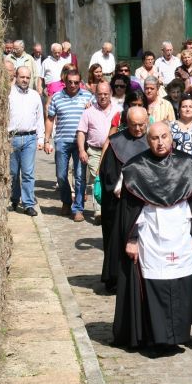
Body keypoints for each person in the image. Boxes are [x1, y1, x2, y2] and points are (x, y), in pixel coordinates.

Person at [112, 122, 192, 350]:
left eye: (164, 136)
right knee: (155, 286)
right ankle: (158, 337)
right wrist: (132, 239)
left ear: (171, 137)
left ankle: (179, 335)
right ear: (148, 141)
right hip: (151, 237)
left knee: (181, 285)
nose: (160, 142)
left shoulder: (187, 165)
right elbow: (129, 212)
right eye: (155, 138)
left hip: (181, 236)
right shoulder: (136, 168)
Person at [98, 106, 149, 292]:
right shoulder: (116, 143)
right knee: (116, 239)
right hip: (120, 202)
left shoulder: (153, 141)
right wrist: (117, 188)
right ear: (127, 123)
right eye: (134, 125)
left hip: (146, 202)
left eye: (141, 125)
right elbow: (107, 172)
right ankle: (115, 278)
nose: (137, 129)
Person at [44, 66, 95, 222]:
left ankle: (78, 208)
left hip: (81, 143)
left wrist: (92, 107)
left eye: (76, 83)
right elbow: (50, 119)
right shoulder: (57, 97)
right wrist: (46, 139)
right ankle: (66, 201)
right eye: (70, 82)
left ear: (80, 83)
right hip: (62, 141)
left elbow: (97, 113)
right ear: (65, 82)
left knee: (80, 176)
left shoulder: (88, 97)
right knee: (61, 176)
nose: (73, 85)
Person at [77, 82, 117, 225]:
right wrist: (82, 150)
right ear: (95, 94)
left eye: (105, 94)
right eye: (100, 94)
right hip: (94, 151)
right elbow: (81, 132)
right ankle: (99, 211)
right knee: (97, 178)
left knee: (111, 179)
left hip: (114, 152)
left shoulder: (117, 110)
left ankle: (111, 209)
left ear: (110, 93)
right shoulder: (88, 112)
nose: (103, 97)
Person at [8, 66, 44, 217]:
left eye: (28, 78)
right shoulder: (9, 94)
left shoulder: (35, 95)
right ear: (16, 76)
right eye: (22, 77)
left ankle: (28, 203)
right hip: (12, 138)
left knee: (28, 173)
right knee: (14, 173)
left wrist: (41, 138)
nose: (25, 80)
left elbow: (40, 117)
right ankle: (14, 198)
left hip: (30, 137)